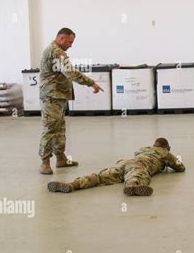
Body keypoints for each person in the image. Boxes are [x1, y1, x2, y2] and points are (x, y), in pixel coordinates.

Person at [39, 27, 104, 175]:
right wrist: (91, 83)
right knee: (50, 129)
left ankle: (60, 158)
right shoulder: (56, 51)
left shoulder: (56, 50)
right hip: (51, 97)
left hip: (58, 96)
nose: (71, 45)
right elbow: (71, 73)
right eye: (70, 41)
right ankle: (44, 162)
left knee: (59, 128)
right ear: (61, 38)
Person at [47, 138, 186, 196]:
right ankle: (132, 186)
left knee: (100, 176)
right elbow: (180, 168)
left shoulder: (143, 149)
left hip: (124, 162)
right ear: (166, 147)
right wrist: (168, 159)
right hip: (141, 164)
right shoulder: (165, 152)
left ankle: (72, 185)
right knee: (136, 175)